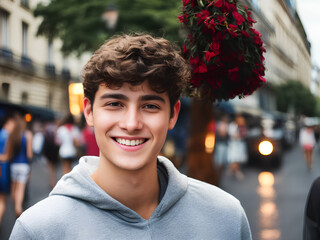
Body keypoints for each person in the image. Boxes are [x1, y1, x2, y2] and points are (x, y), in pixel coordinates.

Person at [10, 33, 252, 239]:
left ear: (173, 115)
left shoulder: (226, 216)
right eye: (115, 103)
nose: (131, 124)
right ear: (88, 112)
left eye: (150, 106)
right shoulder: (38, 230)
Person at [10, 112, 33, 217]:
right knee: (21, 188)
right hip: (23, 165)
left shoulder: (13, 134)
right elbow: (29, 154)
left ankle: (15, 204)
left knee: (14, 189)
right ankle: (18, 207)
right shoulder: (28, 135)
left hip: (13, 165)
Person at [0, 113, 17, 224]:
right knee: (2, 199)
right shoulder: (7, 137)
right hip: (3, 169)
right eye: (12, 124)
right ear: (7, 123)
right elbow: (6, 156)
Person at [227, 114, 248, 180]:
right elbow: (233, 135)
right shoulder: (232, 125)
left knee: (238, 159)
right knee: (234, 159)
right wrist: (239, 135)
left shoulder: (242, 126)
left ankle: (232, 170)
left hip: (239, 145)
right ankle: (237, 172)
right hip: (233, 145)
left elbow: (244, 134)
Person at [42, 120, 60, 189]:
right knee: (54, 169)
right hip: (55, 151)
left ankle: (52, 183)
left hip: (49, 151)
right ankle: (53, 183)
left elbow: (45, 142)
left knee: (51, 169)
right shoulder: (56, 129)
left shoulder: (46, 129)